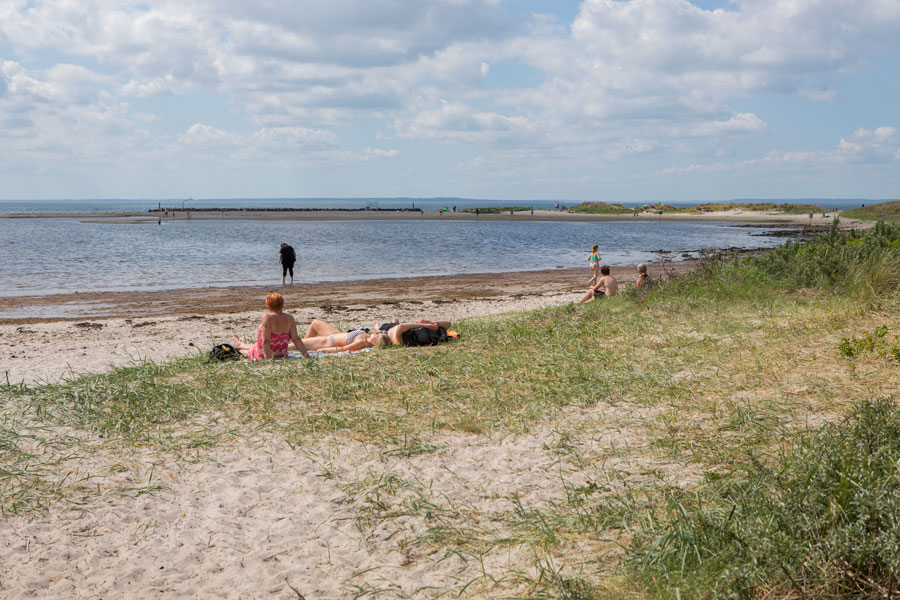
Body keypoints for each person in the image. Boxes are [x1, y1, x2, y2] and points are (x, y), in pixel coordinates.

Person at [232, 293, 309, 361]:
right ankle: (240, 343)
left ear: (268, 306)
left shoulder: (267, 317)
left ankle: (239, 346)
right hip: (281, 354)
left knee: (247, 351)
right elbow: (296, 339)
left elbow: (266, 340)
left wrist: (268, 359)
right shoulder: (290, 318)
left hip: (265, 353)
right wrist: (306, 355)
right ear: (282, 305)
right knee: (254, 346)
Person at [297, 319, 391, 354]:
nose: (377, 333)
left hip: (329, 342)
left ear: (375, 343)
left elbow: (343, 349)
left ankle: (302, 345)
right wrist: (376, 326)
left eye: (377, 335)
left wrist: (324, 350)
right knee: (315, 323)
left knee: (293, 344)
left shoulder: (361, 343)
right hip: (335, 334)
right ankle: (304, 345)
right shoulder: (368, 337)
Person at [378, 319, 454, 347]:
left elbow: (448, 324)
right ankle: (376, 325)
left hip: (429, 337)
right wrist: (426, 324)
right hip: (424, 332)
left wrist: (429, 324)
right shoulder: (394, 335)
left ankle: (376, 325)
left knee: (380, 327)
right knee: (380, 327)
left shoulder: (396, 342)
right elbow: (401, 326)